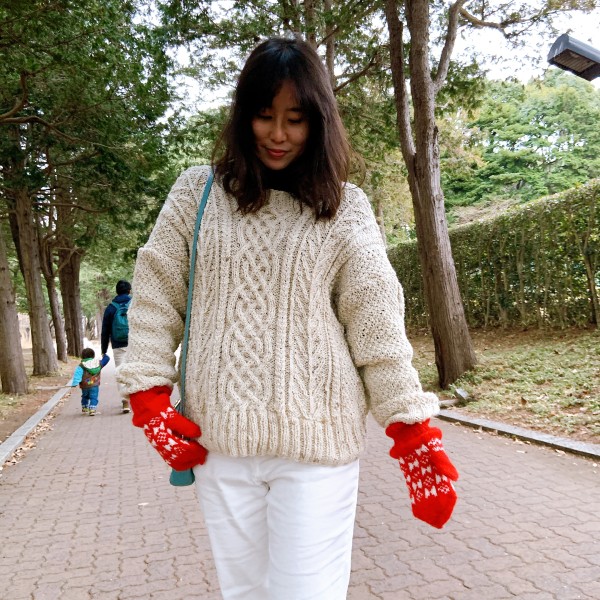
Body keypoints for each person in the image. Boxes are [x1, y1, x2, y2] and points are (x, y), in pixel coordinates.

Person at [117, 37, 459, 600]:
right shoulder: (196, 193)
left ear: (318, 121)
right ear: (242, 115)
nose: (278, 134)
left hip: (317, 444)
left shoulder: (345, 207)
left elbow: (375, 323)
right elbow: (156, 296)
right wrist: (149, 398)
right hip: (220, 444)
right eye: (264, 115)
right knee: (244, 594)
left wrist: (412, 432)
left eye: (295, 119)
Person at [101, 279, 132, 413]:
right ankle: (138, 398)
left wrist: (104, 350)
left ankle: (125, 401)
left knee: (120, 372)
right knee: (134, 370)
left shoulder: (111, 307)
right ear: (129, 291)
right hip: (134, 343)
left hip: (118, 345)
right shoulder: (135, 304)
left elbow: (105, 330)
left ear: (117, 292)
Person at [70, 348, 110, 416]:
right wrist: (104, 354)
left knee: (85, 396)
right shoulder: (98, 363)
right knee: (94, 397)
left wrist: (75, 383)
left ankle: (85, 407)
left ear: (82, 356)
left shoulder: (81, 365)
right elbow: (107, 359)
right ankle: (92, 409)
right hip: (94, 384)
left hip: (85, 385)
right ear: (93, 355)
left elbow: (77, 375)